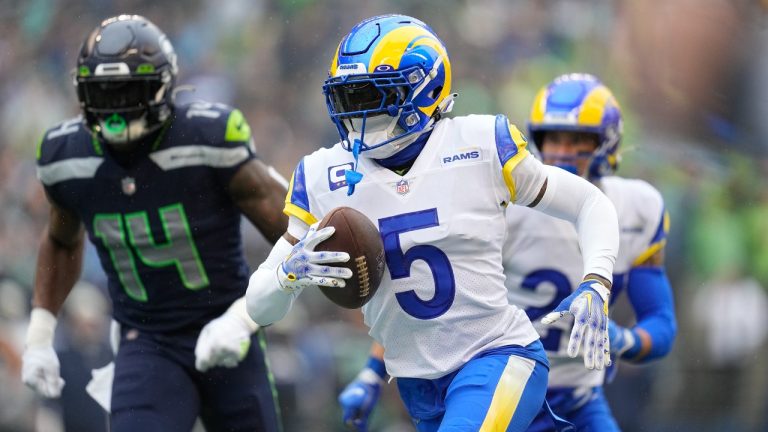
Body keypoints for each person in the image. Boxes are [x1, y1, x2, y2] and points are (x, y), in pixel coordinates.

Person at [246, 15, 620, 432]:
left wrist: (596, 281)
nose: (360, 112)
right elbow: (258, 307)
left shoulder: (480, 145)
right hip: (418, 385)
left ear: (424, 89)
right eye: (349, 97)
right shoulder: (322, 175)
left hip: (499, 356)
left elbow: (590, 203)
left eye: (373, 95)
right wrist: (286, 276)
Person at [21, 15, 287, 432]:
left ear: (163, 86)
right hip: (146, 340)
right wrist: (40, 331)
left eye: (128, 90)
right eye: (103, 93)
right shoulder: (65, 156)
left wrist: (245, 318)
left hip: (225, 328)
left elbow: (297, 236)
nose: (115, 107)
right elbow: (61, 240)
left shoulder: (207, 138)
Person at [507, 73, 677, 431]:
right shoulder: (506, 206)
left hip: (579, 399)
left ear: (606, 144)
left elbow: (661, 322)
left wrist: (623, 340)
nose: (563, 152)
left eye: (577, 140)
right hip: (504, 390)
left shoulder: (637, 207)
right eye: (554, 138)